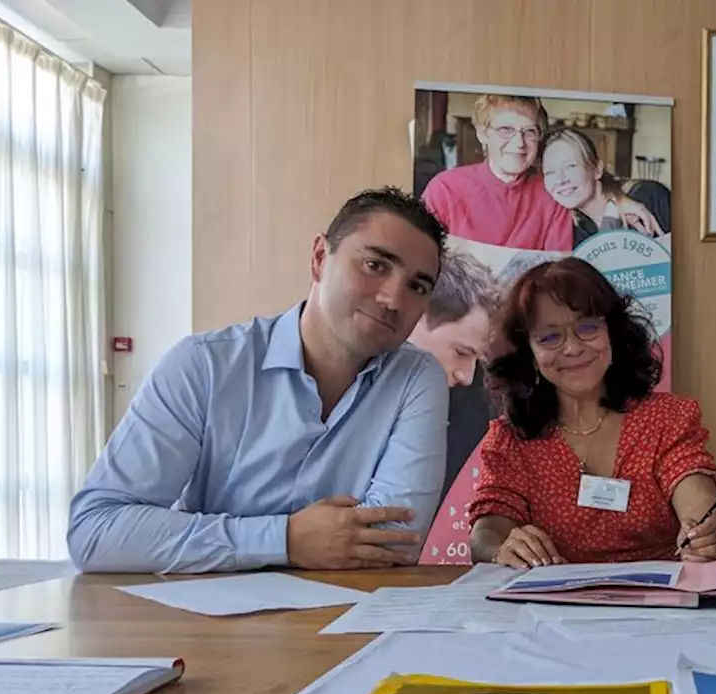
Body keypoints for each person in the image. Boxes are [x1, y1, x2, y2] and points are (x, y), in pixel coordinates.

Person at [68, 187, 451, 574]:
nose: (393, 299)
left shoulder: (416, 379)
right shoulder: (204, 365)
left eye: (417, 286)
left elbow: (393, 540)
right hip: (206, 624)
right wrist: (283, 540)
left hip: (350, 619)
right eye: (375, 265)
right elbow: (96, 531)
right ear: (320, 257)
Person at [468, 258, 716, 568]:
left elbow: (694, 489)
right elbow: (486, 532)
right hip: (551, 608)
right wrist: (502, 548)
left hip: (657, 605)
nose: (573, 348)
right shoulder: (512, 439)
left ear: (612, 334)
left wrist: (701, 530)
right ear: (531, 355)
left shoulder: (667, 419)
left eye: (587, 328)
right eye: (550, 337)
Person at [420, 94, 658, 251]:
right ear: (482, 133)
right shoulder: (445, 189)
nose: (519, 143)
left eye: (529, 132)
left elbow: (591, 183)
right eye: (506, 129)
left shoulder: (551, 189)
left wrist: (620, 198)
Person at [407, 249, 500, 496]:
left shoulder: (480, 408)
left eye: (476, 358)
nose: (466, 376)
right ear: (415, 316)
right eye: (461, 352)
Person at [540, 127, 670, 248]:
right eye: (550, 172)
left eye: (571, 166)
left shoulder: (649, 196)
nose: (561, 180)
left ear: (597, 169)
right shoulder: (573, 232)